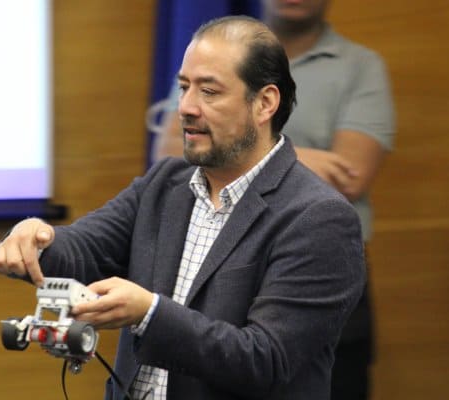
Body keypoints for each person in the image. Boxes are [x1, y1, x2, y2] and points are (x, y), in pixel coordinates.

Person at [0, 16, 365, 400]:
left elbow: (265, 360)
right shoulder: (165, 183)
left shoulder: (318, 218)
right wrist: (37, 240)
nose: (185, 107)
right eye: (184, 87)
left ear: (265, 103)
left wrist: (149, 314)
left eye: (209, 91)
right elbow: (85, 248)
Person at [153, 1, 395, 398]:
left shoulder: (359, 65)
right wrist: (300, 157)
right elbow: (169, 151)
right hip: (220, 266)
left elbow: (349, 174)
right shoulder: (217, 53)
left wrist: (235, 149)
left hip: (320, 268)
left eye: (210, 92)